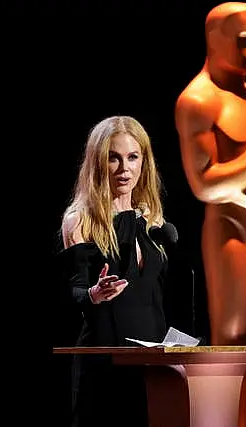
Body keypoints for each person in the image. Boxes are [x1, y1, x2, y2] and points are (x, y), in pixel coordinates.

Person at [174, 2, 246, 426]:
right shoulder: (199, 101)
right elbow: (204, 184)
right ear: (215, 40)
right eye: (244, 42)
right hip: (231, 232)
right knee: (233, 341)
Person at [59, 115, 171, 427]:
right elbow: (75, 292)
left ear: (143, 162)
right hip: (104, 363)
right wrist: (95, 293)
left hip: (153, 365)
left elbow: (157, 295)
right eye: (114, 158)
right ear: (98, 162)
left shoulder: (152, 221)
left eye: (133, 157)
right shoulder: (80, 220)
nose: (124, 169)